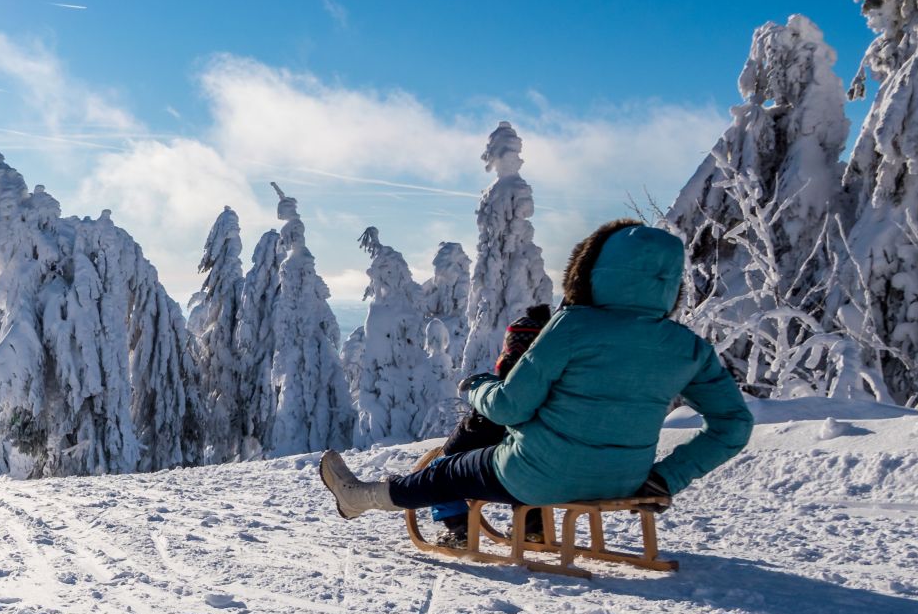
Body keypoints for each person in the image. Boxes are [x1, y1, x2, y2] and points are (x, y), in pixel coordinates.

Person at [319, 220, 753, 536]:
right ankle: (531, 531)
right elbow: (734, 424)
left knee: (445, 471)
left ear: (589, 271)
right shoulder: (686, 345)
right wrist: (669, 477)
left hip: (535, 477)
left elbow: (511, 406)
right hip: (626, 481)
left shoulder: (572, 326)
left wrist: (476, 388)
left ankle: (360, 498)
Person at [431, 303, 553, 546]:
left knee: (440, 469)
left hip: (512, 474)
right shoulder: (554, 394)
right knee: (528, 458)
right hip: (551, 472)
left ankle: (458, 528)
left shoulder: (505, 398)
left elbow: (467, 439)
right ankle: (532, 527)